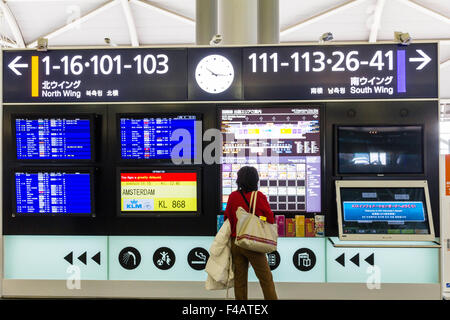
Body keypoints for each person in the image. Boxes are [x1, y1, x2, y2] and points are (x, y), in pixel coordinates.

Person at [224, 166, 278, 300]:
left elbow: (227, 218)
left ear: (239, 180)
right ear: (255, 180)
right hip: (253, 242)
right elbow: (270, 218)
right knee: (265, 278)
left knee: (240, 280)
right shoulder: (258, 196)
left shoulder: (233, 196)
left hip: (236, 242)